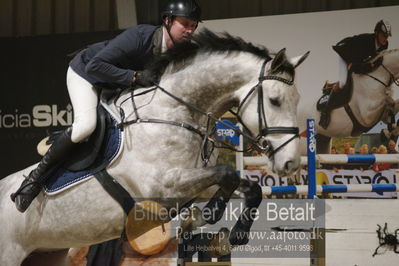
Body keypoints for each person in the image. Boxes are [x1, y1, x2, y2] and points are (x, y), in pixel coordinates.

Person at [10, 0, 202, 213]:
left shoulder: (184, 51)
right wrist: (135, 76)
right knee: (86, 125)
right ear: (167, 20)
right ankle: (33, 181)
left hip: (117, 85)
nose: (189, 30)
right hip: (87, 73)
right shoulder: (140, 36)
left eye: (193, 26)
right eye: (184, 23)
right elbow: (95, 66)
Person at [319, 20, 392, 129]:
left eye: (387, 36)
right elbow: (357, 65)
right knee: (343, 83)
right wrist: (368, 66)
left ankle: (330, 86)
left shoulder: (384, 45)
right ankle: (326, 112)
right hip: (346, 54)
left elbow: (374, 60)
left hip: (359, 59)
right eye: (383, 35)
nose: (385, 38)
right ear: (376, 33)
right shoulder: (367, 42)